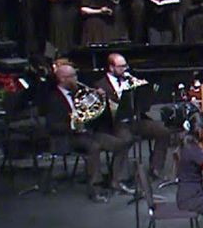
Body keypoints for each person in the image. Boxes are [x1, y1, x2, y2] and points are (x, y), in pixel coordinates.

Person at [45, 62, 131, 201]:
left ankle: (116, 181)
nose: (76, 79)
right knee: (94, 147)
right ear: (62, 79)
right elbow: (52, 126)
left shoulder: (80, 93)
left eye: (75, 75)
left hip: (88, 133)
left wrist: (99, 98)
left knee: (121, 144)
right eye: (72, 76)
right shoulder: (53, 99)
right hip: (69, 136)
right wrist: (73, 125)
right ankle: (95, 189)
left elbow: (96, 115)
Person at [95, 53, 171, 180]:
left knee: (163, 131)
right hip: (116, 124)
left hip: (134, 120)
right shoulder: (100, 85)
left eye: (125, 66)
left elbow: (142, 101)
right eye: (120, 67)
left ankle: (156, 168)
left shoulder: (130, 79)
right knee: (125, 140)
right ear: (111, 68)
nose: (124, 69)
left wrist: (143, 89)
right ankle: (118, 179)